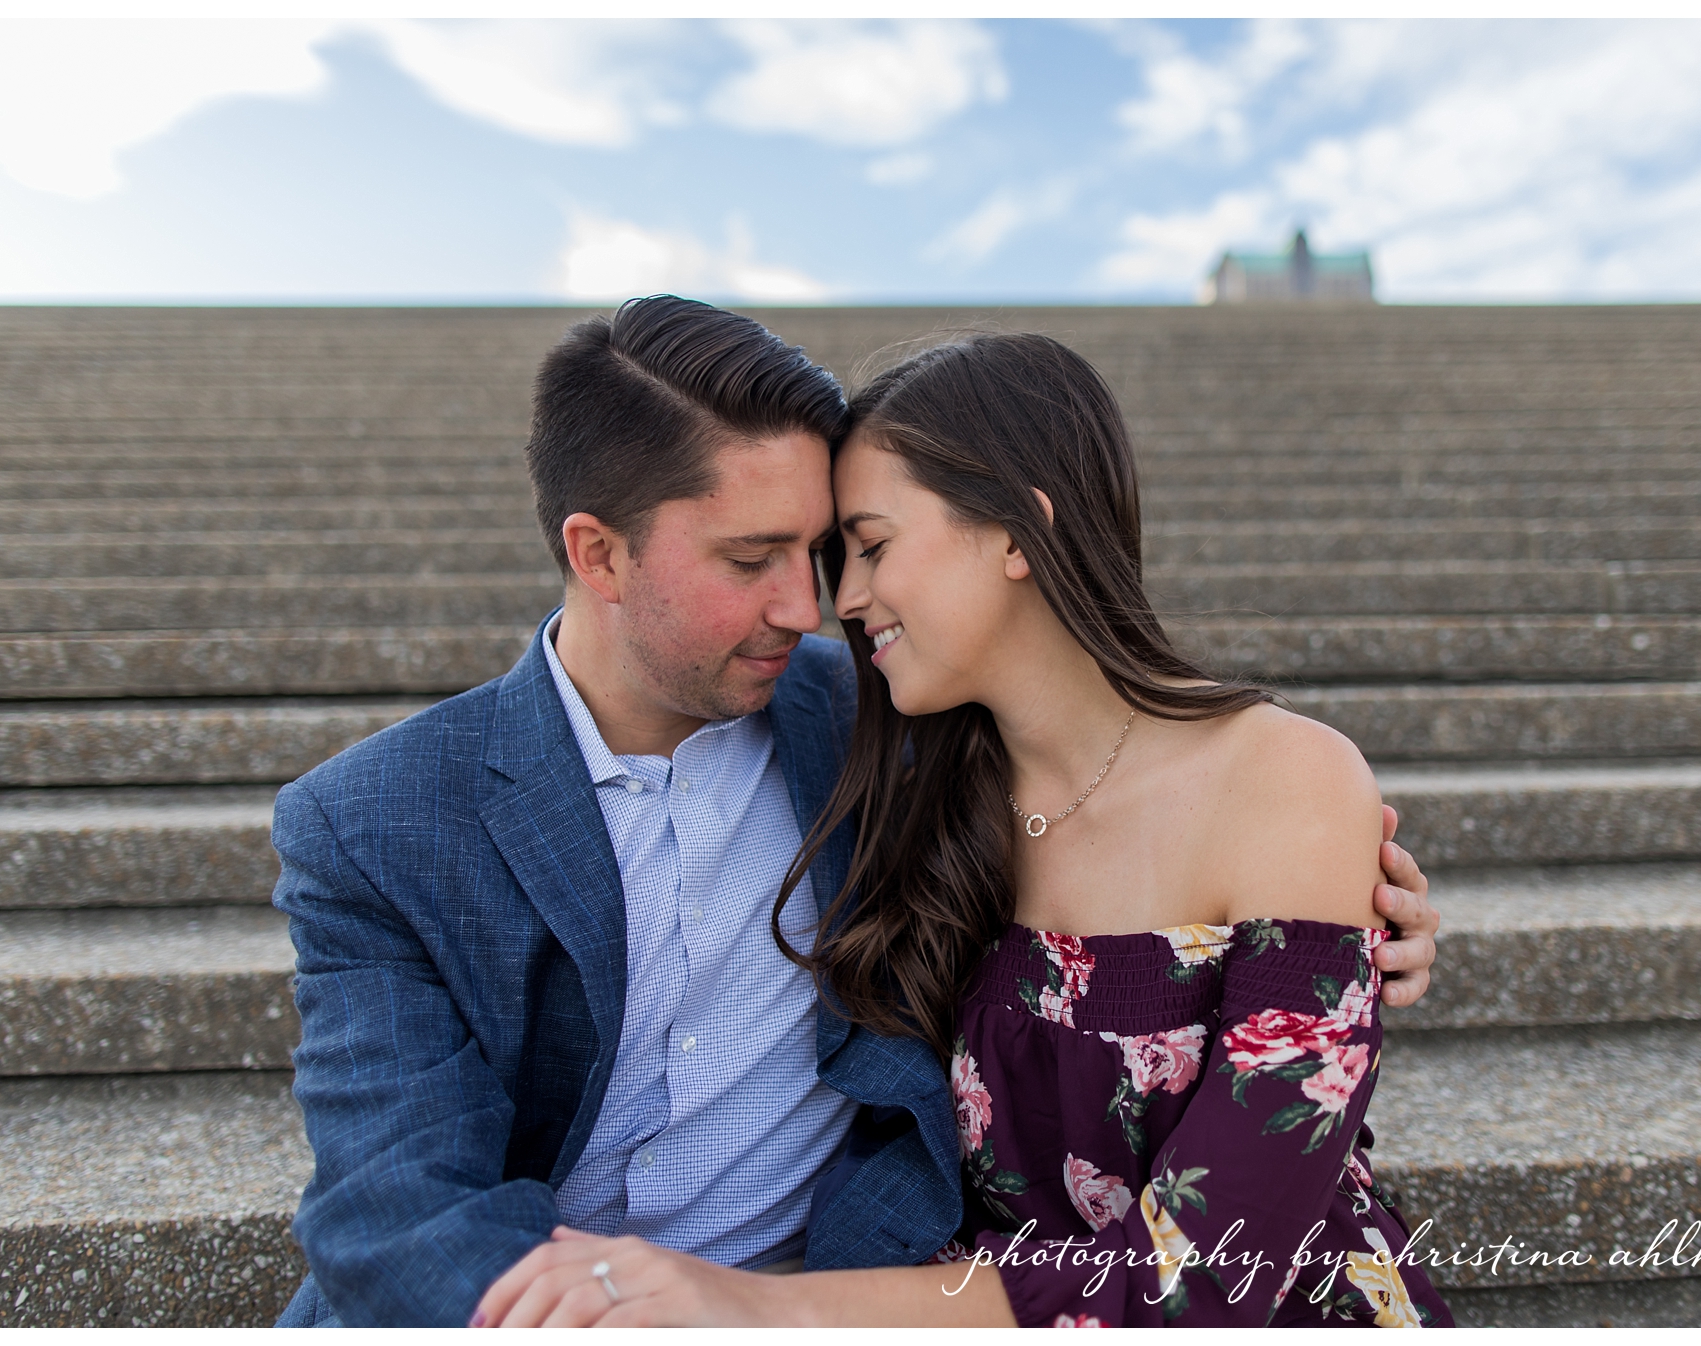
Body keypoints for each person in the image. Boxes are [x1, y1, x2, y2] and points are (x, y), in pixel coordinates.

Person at [273, 299, 1442, 1328]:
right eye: (753, 556)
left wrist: (1337, 931)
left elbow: (1155, 796)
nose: (814, 603)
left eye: (836, 546)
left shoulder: (882, 716)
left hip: (857, 1289)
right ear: (599, 552)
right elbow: (395, 1202)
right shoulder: (374, 821)